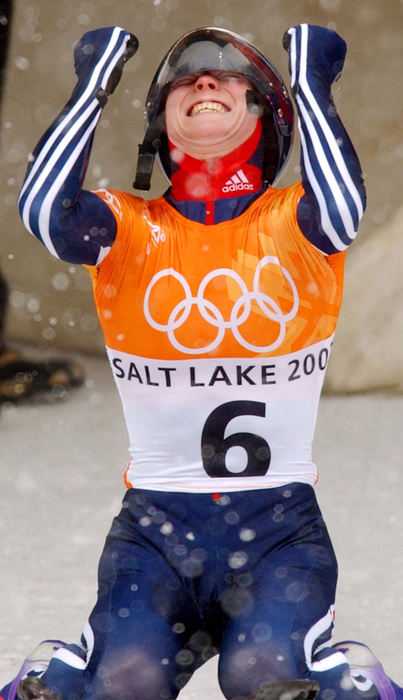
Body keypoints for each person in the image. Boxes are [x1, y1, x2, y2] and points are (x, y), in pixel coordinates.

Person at [1, 22, 402, 700]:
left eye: (229, 76)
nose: (204, 81)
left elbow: (341, 212)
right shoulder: (127, 227)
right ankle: (67, 670)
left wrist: (311, 87)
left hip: (278, 536)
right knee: (126, 684)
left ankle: (341, 673)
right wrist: (92, 84)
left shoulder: (297, 220)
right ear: (160, 126)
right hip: (153, 537)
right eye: (182, 81)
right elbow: (45, 212)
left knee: (264, 678)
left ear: (265, 115)